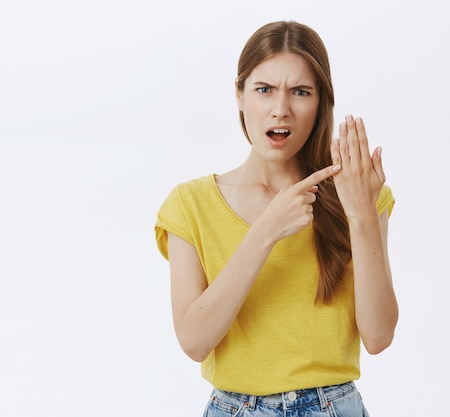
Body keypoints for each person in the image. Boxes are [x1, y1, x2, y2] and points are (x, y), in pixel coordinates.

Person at [154, 20, 398, 416]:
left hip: (333, 406)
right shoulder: (189, 204)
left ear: (321, 102)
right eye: (264, 89)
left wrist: (361, 215)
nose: (280, 109)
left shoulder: (359, 194)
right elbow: (194, 341)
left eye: (301, 92)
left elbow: (379, 335)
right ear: (239, 95)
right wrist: (266, 230)